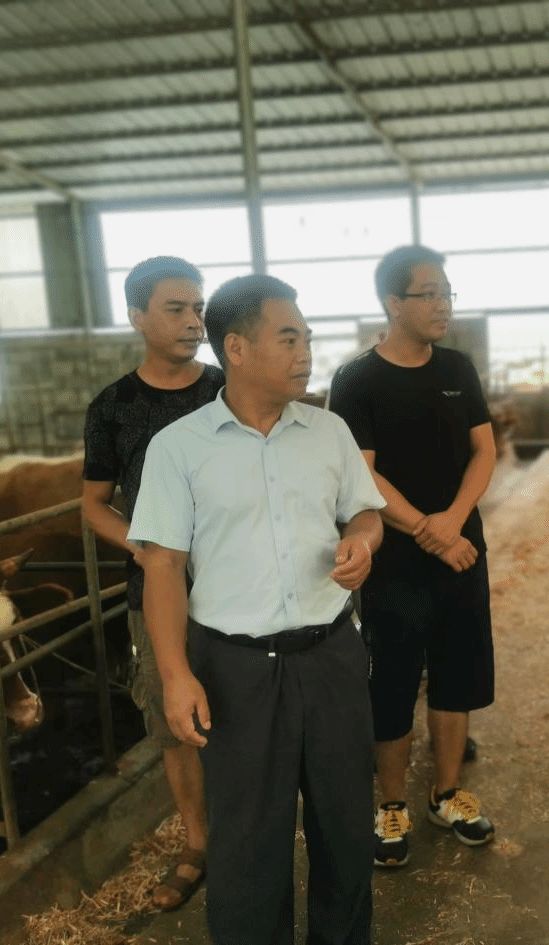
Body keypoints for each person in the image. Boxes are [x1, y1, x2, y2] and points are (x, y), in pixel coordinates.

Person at [128, 274, 385, 945]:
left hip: (330, 652)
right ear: (237, 347)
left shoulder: (328, 431)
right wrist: (176, 674)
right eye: (289, 337)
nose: (306, 352)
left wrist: (362, 536)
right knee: (247, 844)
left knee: (347, 828)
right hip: (234, 668)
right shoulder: (179, 448)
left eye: (307, 337)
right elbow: (162, 566)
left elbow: (363, 510)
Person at [328, 244, 498, 870]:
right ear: (393, 303)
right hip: (394, 559)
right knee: (393, 679)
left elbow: (485, 451)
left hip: (461, 551)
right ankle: (391, 804)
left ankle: (446, 793)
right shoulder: (357, 381)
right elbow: (360, 477)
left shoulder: (457, 366)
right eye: (430, 294)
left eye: (449, 293)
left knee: (458, 676)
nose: (444, 305)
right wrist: (431, 531)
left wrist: (453, 525)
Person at [81, 255, 222, 911]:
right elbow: (93, 503)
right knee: (177, 725)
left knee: (251, 710)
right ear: (137, 316)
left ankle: (251, 832)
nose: (194, 320)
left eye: (199, 308)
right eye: (177, 308)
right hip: (159, 594)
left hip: (240, 586)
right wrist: (145, 548)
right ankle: (197, 844)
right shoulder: (113, 407)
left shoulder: (230, 387)